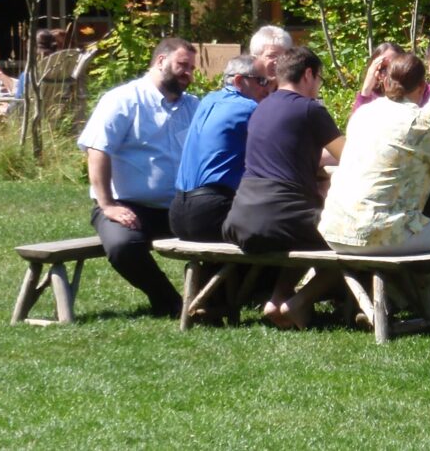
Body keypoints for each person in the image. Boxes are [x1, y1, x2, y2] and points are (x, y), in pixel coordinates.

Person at [320, 53, 430, 289]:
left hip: (334, 228)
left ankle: (386, 298)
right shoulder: (422, 121)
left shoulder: (363, 114)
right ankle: (401, 298)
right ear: (422, 87)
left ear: (385, 82)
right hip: (381, 232)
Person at [222, 46, 346, 330]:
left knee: (304, 233)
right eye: (319, 78)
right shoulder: (310, 109)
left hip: (241, 219)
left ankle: (277, 300)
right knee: (352, 240)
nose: (318, 85)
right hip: (281, 218)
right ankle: (299, 301)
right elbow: (350, 156)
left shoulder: (261, 107)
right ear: (308, 74)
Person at [77, 37, 199, 317]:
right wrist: (107, 205)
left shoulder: (193, 106)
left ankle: (218, 298)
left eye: (192, 68)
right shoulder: (123, 100)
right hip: (128, 206)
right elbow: (97, 150)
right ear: (161, 61)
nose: (188, 74)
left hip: (179, 207)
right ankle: (169, 302)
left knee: (228, 231)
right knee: (123, 246)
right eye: (183, 65)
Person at [169, 55, 271, 242]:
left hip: (177, 213)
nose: (268, 88)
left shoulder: (208, 101)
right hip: (213, 212)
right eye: (261, 81)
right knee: (285, 231)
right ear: (239, 81)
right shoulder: (250, 109)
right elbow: (281, 153)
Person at [351, 41, 430, 113]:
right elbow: (357, 124)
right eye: (383, 68)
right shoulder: (372, 98)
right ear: (376, 73)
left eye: (394, 66)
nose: (389, 73)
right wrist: (366, 90)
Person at [0, 29, 59, 98]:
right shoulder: (61, 73)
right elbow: (19, 87)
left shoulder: (27, 76)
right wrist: (2, 76)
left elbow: (18, 103)